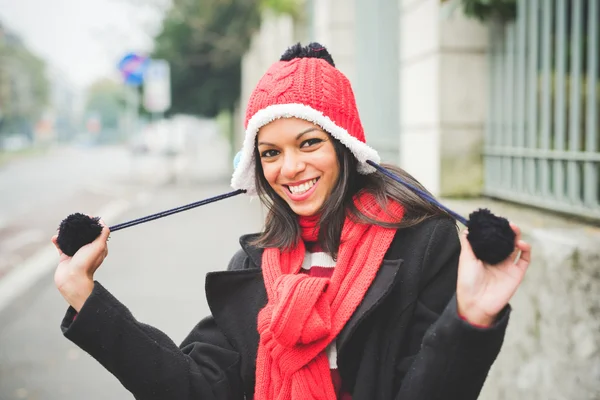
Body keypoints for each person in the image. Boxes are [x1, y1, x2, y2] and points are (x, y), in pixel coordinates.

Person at [51, 42, 532, 400]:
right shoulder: (256, 261)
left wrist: (472, 317)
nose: (290, 168)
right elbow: (193, 388)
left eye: (309, 143)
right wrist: (86, 298)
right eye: (270, 153)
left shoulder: (421, 243)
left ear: (345, 147)